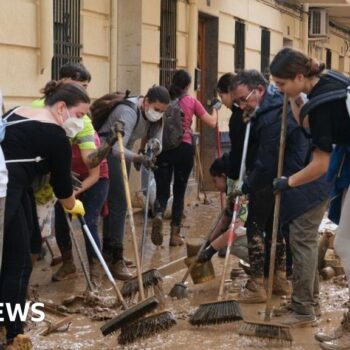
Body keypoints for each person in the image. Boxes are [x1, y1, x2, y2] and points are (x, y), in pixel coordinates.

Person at [270, 48, 350, 345]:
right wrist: (292, 97)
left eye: (281, 84)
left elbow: (321, 163)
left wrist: (287, 182)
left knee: (345, 245)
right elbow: (309, 126)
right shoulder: (328, 82)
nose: (277, 89)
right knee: (345, 244)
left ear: (299, 76)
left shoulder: (323, 101)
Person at [0, 81, 89, 345]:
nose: (81, 122)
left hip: (17, 188)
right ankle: (13, 331)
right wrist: (74, 204)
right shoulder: (56, 136)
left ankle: (11, 319)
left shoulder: (16, 111)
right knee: (18, 263)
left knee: (30, 246)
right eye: (80, 115)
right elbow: (62, 190)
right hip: (7, 191)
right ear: (62, 107)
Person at [91, 85, 170, 280]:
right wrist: (138, 158)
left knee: (116, 204)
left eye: (162, 111)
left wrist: (153, 148)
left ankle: (109, 250)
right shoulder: (128, 111)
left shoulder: (156, 117)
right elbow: (116, 148)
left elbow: (158, 142)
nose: (158, 114)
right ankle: (116, 256)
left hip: (123, 153)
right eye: (156, 109)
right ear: (146, 102)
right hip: (104, 151)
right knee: (119, 203)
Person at [151, 69, 220, 247]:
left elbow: (151, 126)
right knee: (180, 191)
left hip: (163, 150)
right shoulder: (191, 101)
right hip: (184, 149)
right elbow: (211, 122)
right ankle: (175, 235)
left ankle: (158, 214)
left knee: (162, 190)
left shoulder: (163, 100)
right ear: (188, 85)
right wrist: (216, 109)